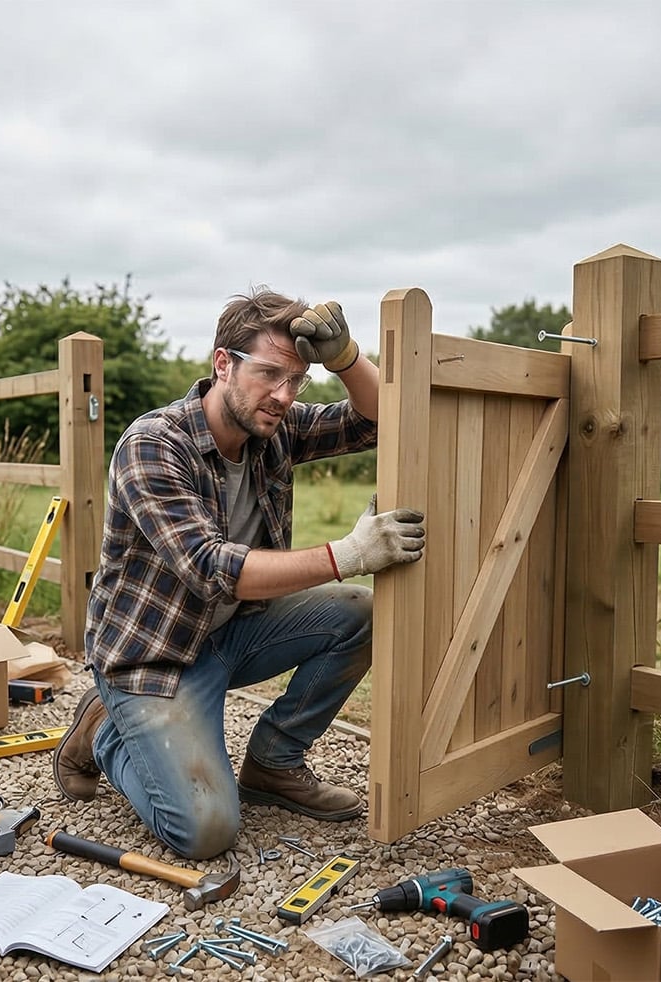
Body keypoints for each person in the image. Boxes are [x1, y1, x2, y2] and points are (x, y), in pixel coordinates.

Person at [51, 291, 428, 860]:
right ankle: (106, 732)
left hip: (232, 635)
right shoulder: (154, 444)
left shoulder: (274, 427)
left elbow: (379, 421)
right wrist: (348, 553)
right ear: (222, 364)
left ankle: (273, 765)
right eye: (269, 373)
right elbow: (210, 568)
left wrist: (346, 357)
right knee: (205, 832)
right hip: (155, 660)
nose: (283, 395)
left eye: (296, 379)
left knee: (358, 612)